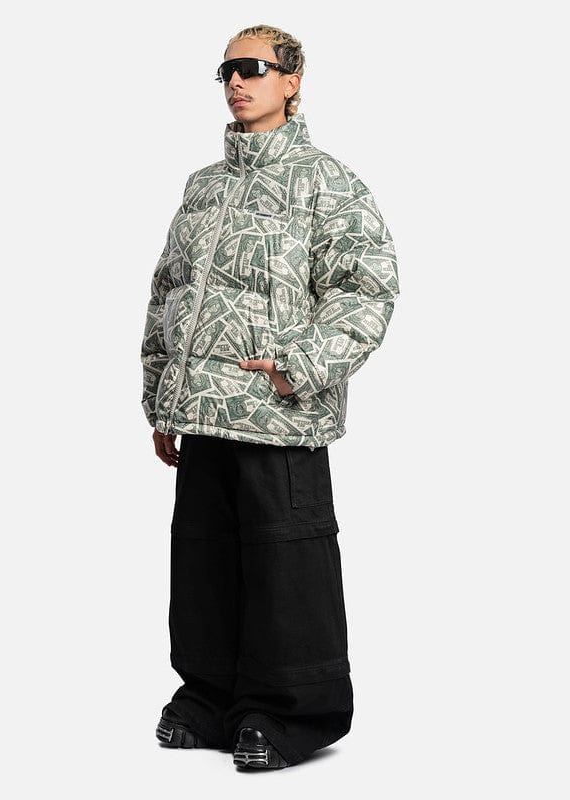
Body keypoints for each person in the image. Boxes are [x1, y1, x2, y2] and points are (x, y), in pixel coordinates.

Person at [140, 24, 400, 769]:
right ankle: (209, 697)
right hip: (202, 410)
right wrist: (161, 396)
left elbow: (368, 289)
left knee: (287, 566)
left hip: (277, 414)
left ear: (292, 81)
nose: (236, 81)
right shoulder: (203, 186)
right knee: (203, 563)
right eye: (226, 70)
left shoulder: (327, 182)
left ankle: (290, 711)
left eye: (253, 68)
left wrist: (299, 367)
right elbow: (168, 292)